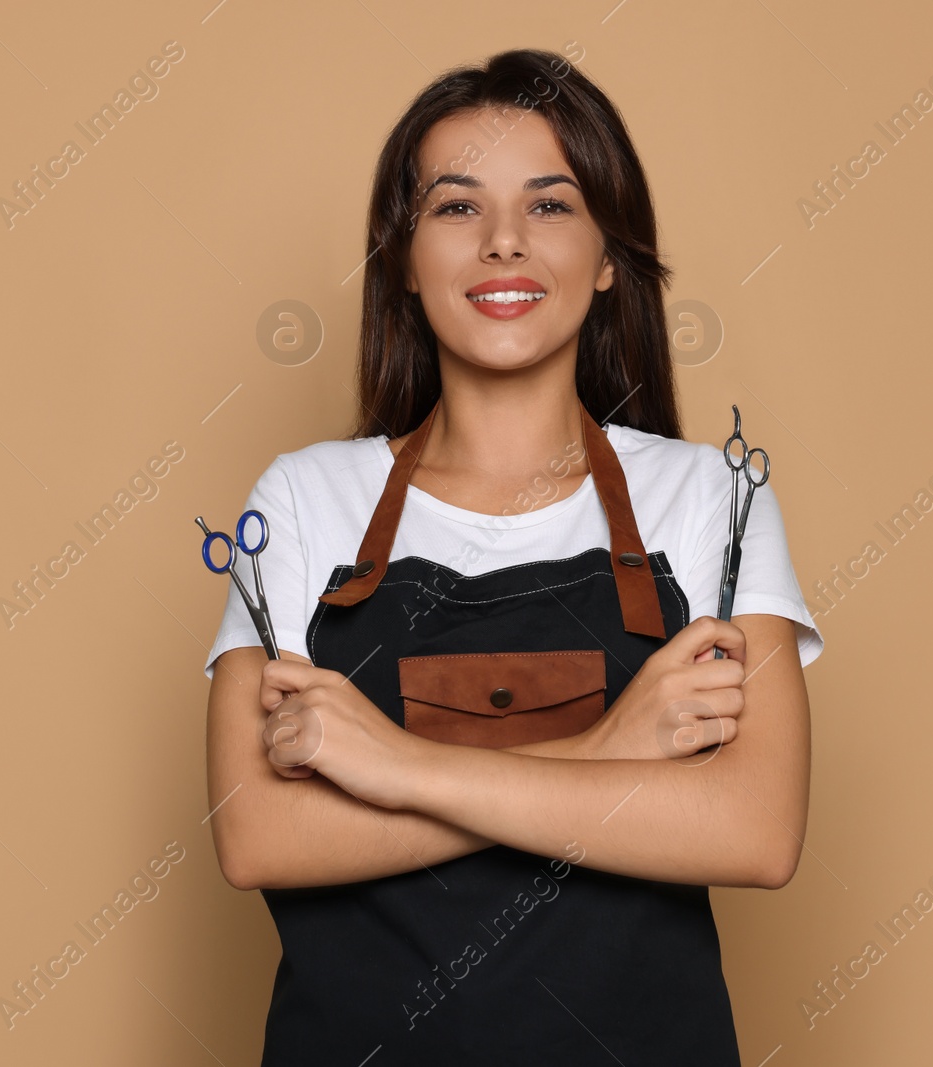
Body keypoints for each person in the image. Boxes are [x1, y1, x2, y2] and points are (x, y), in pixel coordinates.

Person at [203, 47, 823, 1065]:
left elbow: (754, 831)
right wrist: (611, 749)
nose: (501, 242)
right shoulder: (305, 500)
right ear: (403, 257)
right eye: (454, 208)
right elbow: (258, 836)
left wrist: (391, 765)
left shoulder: (707, 497)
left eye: (549, 205)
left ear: (610, 253)